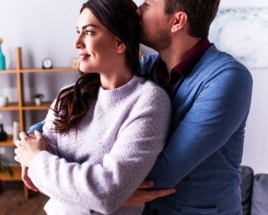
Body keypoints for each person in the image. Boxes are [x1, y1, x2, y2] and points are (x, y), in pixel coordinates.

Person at [29, 0, 253, 214]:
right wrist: (32, 144)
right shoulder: (146, 68)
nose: (137, 11)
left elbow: (160, 173)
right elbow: (67, 114)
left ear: (177, 21)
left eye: (147, 4)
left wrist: (43, 166)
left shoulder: (228, 79)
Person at [14, 0, 173, 214]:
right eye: (78, 31)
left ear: (120, 43)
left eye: (88, 33)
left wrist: (37, 161)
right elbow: (38, 180)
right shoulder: (67, 96)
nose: (77, 43)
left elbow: (106, 193)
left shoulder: (149, 102)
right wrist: (94, 194)